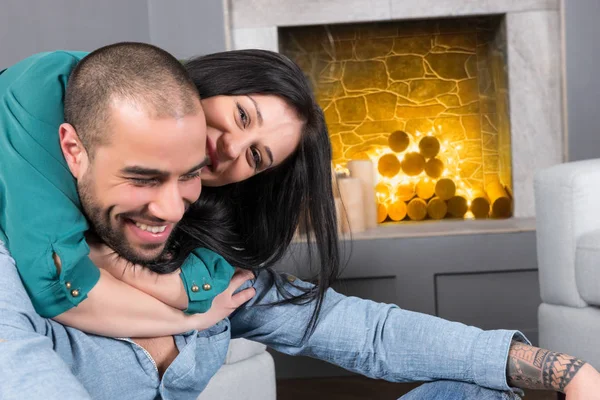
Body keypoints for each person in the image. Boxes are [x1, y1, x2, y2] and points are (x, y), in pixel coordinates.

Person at [1, 43, 599, 399]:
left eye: (256, 156)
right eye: (238, 115)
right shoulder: (25, 232)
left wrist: (563, 368)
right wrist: (188, 311)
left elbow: (365, 332)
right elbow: (18, 364)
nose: (227, 151)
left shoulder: (213, 264)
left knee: (475, 392)